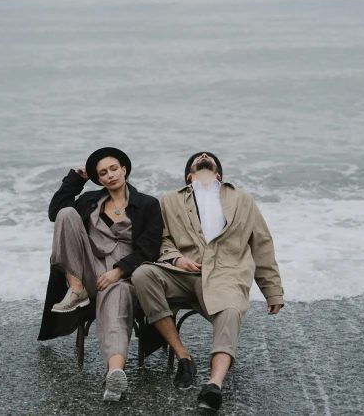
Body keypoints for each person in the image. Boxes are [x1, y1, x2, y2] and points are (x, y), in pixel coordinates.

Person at [131, 152, 285, 411]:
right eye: (198, 157)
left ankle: (214, 384)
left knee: (230, 311)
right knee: (142, 275)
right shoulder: (169, 200)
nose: (204, 155)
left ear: (219, 175)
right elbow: (162, 239)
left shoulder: (242, 199)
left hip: (225, 275)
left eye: (209, 157)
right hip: (181, 275)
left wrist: (273, 291)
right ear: (189, 176)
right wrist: (177, 260)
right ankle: (183, 356)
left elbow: (262, 245)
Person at [37, 147, 162, 402]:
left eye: (113, 169)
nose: (110, 175)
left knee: (116, 306)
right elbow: (55, 213)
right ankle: (75, 288)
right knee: (66, 213)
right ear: (99, 178)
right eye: (102, 173)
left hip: (124, 275)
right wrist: (77, 179)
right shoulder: (89, 200)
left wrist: (118, 272)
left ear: (124, 169)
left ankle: (114, 374)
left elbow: (149, 248)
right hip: (87, 270)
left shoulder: (148, 204)